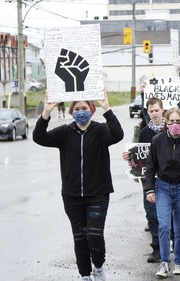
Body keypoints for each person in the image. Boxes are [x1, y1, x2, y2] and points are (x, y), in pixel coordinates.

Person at [33, 92, 124, 281]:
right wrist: (46, 112)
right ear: (71, 111)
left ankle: (98, 267)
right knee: (80, 237)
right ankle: (85, 275)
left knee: (94, 235)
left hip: (98, 193)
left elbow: (118, 134)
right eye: (77, 109)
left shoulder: (100, 131)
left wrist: (107, 108)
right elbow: (39, 137)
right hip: (72, 196)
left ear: (91, 110)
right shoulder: (64, 132)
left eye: (84, 108)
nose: (81, 112)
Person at [144, 107, 180, 278]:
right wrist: (149, 188)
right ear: (166, 122)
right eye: (171, 121)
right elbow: (150, 166)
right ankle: (164, 262)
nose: (175, 124)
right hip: (162, 185)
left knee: (179, 227)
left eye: (179, 121)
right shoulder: (157, 140)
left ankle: (178, 261)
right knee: (163, 225)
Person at [123, 97, 165, 263]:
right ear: (147, 113)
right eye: (151, 111)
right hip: (149, 179)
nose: (154, 113)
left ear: (162, 109)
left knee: (166, 214)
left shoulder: (170, 129)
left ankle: (169, 243)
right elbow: (139, 157)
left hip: (168, 179)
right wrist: (129, 155)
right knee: (151, 212)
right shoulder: (144, 132)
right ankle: (156, 248)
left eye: (156, 110)